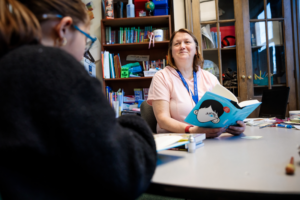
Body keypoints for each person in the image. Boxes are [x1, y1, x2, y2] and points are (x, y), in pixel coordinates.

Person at [0, 0, 156, 199]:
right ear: (64, 29)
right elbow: (128, 172)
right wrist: (135, 123)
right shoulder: (52, 66)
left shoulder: (7, 65)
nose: (84, 52)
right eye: (87, 38)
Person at [147, 28, 245, 138]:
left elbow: (226, 111)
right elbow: (162, 120)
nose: (182, 46)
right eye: (177, 44)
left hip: (211, 140)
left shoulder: (210, 78)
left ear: (196, 50)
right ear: (171, 53)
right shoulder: (162, 76)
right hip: (178, 141)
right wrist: (192, 130)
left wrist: (235, 125)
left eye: (187, 42)